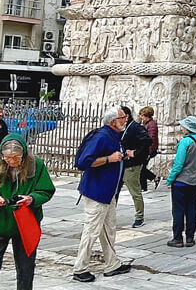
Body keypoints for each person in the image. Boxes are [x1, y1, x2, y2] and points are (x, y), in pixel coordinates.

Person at [72, 106, 133, 282]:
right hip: (97, 192)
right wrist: (109, 159)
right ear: (113, 122)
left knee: (108, 229)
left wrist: (122, 156)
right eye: (122, 117)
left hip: (108, 192)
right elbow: (83, 162)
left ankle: (112, 264)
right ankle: (80, 268)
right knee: (91, 231)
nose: (126, 120)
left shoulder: (114, 136)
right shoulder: (102, 136)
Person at [0, 133, 54, 290]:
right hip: (2, 221)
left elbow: (46, 190)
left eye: (16, 158)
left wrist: (31, 198)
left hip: (25, 222)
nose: (12, 161)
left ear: (23, 154)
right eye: (7, 158)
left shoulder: (36, 165)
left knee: (26, 268)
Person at [166, 116, 196, 248]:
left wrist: (170, 179)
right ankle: (190, 237)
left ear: (187, 128)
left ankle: (178, 238)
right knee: (191, 208)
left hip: (181, 181)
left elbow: (178, 164)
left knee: (178, 210)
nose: (182, 128)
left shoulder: (185, 142)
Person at [118, 106, 151, 228]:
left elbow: (148, 141)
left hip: (131, 165)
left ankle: (139, 217)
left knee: (135, 191)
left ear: (126, 117)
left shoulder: (135, 127)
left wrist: (135, 153)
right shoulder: (122, 127)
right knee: (114, 190)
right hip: (120, 163)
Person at [138, 107, 159, 191]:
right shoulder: (146, 124)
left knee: (141, 168)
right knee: (141, 167)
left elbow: (152, 138)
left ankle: (143, 186)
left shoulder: (151, 125)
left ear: (146, 116)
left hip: (149, 150)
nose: (141, 117)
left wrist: (150, 151)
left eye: (142, 115)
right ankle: (154, 178)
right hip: (145, 149)